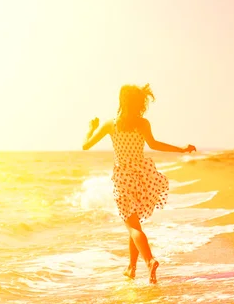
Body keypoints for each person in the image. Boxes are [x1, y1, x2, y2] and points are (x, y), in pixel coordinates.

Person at [82, 84, 196, 283]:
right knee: (135, 223)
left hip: (123, 179)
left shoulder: (111, 124)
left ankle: (149, 260)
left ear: (121, 101)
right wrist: (181, 149)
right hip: (142, 177)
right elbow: (154, 145)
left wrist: (91, 129)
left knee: (133, 227)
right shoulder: (143, 123)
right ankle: (131, 268)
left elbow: (85, 145)